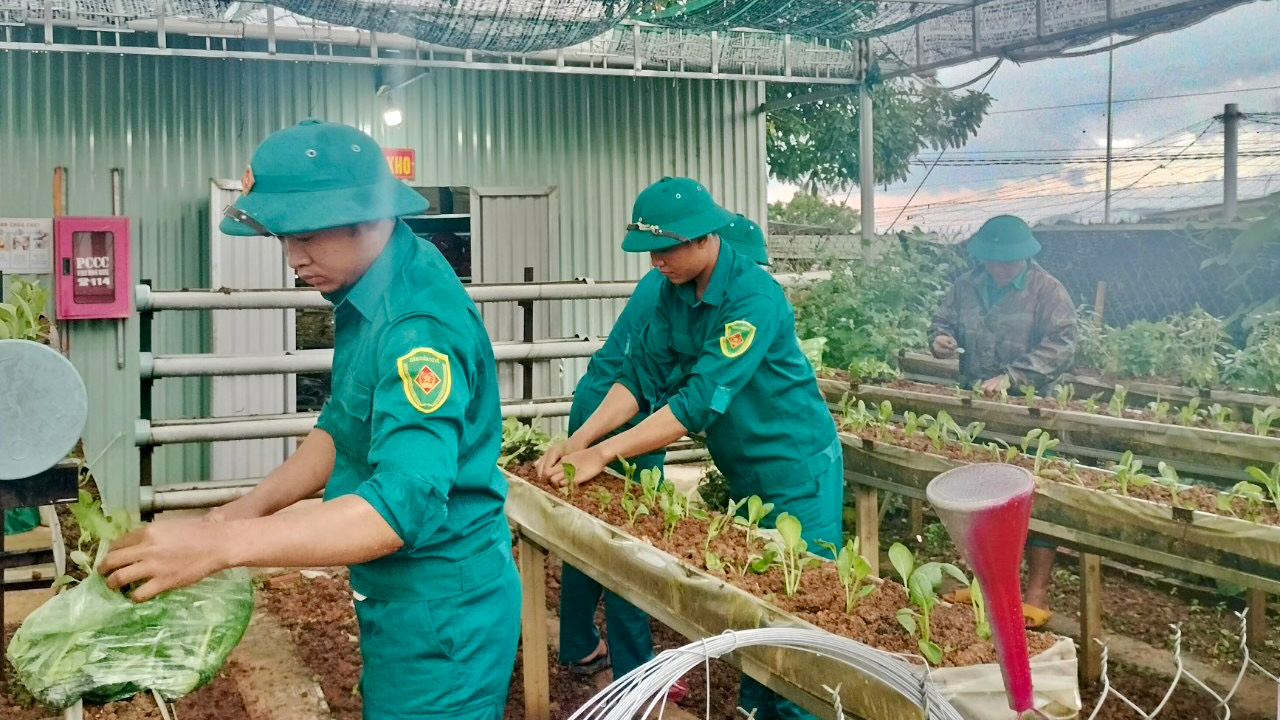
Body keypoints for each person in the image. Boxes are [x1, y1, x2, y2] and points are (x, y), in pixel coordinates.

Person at [101, 119, 520, 720]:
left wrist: (221, 545)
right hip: (402, 592)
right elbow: (343, 428)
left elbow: (399, 507)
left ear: (372, 215)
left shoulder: (416, 328)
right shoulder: (367, 286)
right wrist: (232, 514)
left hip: (441, 607)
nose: (293, 258)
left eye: (308, 236)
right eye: (282, 238)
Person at [536, 177, 841, 720]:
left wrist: (604, 455)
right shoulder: (675, 294)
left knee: (801, 625)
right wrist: (578, 440)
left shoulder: (753, 297)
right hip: (746, 472)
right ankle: (754, 709)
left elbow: (700, 401)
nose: (655, 263)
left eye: (665, 249)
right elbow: (639, 375)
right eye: (649, 251)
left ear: (704, 238)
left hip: (797, 471)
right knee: (756, 604)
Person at [556, 212, 771, 697]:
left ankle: (578, 645)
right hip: (627, 409)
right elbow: (680, 387)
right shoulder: (676, 289)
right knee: (629, 544)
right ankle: (637, 671)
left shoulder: (700, 288)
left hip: (600, 399)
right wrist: (600, 446)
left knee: (588, 537)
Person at [929, 214, 1076, 624]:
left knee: (1034, 494)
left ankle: (1037, 592)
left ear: (1024, 257)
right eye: (993, 261)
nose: (999, 268)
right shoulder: (965, 287)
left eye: (1007, 262)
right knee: (978, 493)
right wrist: (940, 339)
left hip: (1033, 411)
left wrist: (1013, 376)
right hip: (978, 409)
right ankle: (984, 581)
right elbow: (941, 323)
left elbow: (1062, 345)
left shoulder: (1048, 291)